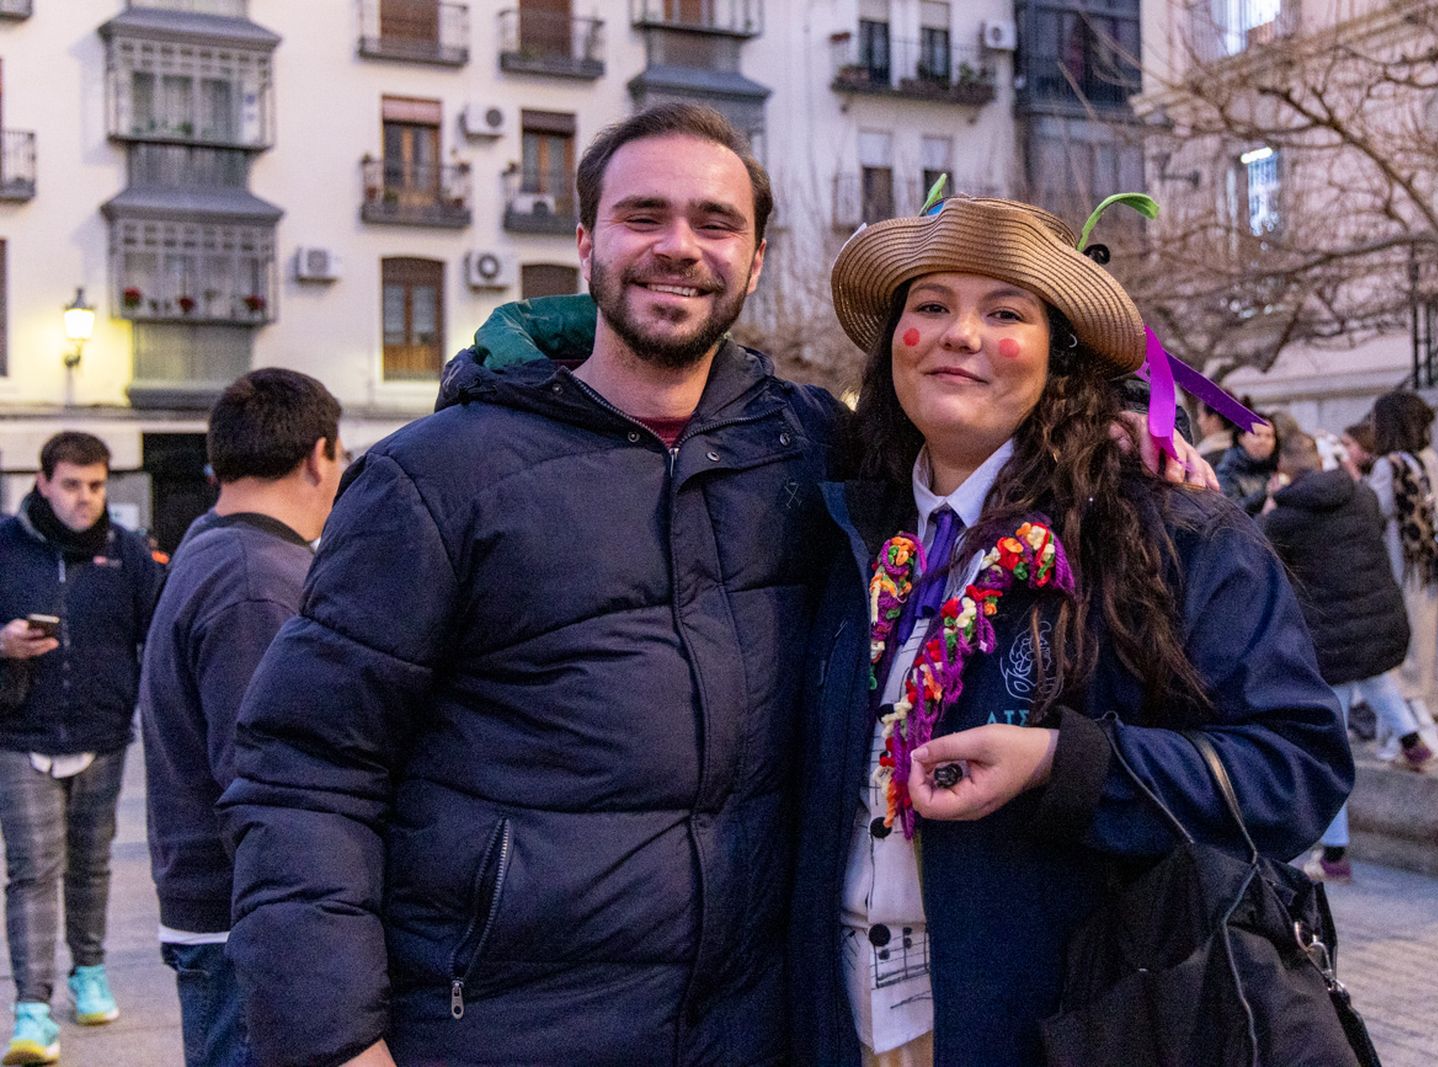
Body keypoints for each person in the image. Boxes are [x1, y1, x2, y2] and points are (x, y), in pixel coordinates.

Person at [218, 108, 1212, 1067]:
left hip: (752, 1028)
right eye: (643, 216)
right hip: (501, 1029)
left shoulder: (817, 445)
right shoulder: (435, 477)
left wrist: (1113, 421)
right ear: (584, 242)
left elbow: (975, 412)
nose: (679, 246)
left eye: (715, 222)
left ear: (756, 258)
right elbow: (303, 766)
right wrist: (333, 1036)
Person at [787, 195, 1351, 1066]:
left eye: (1005, 312)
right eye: (930, 304)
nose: (959, 334)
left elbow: (1299, 767)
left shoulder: (1169, 534)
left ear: (1061, 356)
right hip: (847, 1026)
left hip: (1062, 1031)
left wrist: (1068, 766)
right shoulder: (844, 528)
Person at [138, 370, 344, 1067]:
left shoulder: (213, 543)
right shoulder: (257, 580)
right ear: (320, 454)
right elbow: (267, 782)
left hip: (225, 916)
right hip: (241, 925)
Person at [0, 432, 164, 1065]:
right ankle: (33, 1008)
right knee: (32, 871)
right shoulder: (6, 545)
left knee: (92, 865)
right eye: (71, 485)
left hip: (102, 734)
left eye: (96, 485)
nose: (85, 499)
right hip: (20, 735)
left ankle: (89, 971)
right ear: (43, 483)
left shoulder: (127, 556)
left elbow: (156, 637)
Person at [1259, 431, 1429, 882]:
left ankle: (1335, 853)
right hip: (1377, 618)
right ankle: (1413, 740)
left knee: (1329, 746)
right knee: (1374, 678)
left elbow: (1258, 550)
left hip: (1331, 638)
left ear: (1285, 472)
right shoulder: (1360, 496)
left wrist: (1271, 505)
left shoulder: (1285, 518)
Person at [1366, 390, 1438, 748]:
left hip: (1399, 566)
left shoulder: (1388, 467)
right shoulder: (1430, 458)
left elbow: (1375, 510)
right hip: (1426, 565)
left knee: (1403, 649)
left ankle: (1408, 732)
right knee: (1427, 642)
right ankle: (1430, 714)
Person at [1215, 406, 1281, 515]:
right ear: (1241, 438)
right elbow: (1230, 511)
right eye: (1257, 435)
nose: (1263, 441)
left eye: (1269, 436)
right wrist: (1265, 494)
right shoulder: (1228, 470)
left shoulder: (1279, 468)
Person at [1192, 392, 1236, 468]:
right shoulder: (1243, 451)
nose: (1198, 421)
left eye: (1201, 415)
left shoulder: (1205, 457)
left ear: (1214, 419)